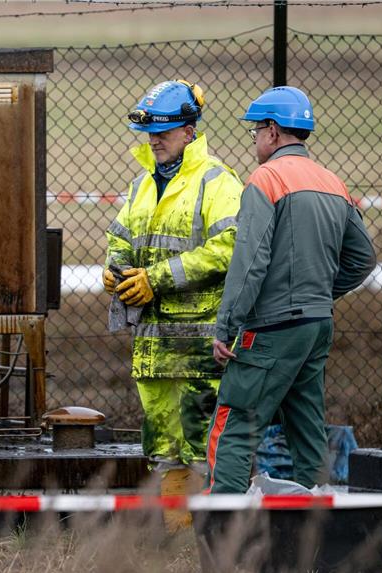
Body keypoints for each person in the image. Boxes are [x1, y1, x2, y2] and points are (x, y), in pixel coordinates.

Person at [206, 87, 376, 494]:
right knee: (306, 429)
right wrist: (318, 293)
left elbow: (249, 265)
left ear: (272, 131)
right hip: (316, 326)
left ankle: (220, 534)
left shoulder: (266, 179)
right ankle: (312, 535)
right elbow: (364, 258)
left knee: (233, 426)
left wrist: (225, 327)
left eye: (255, 132)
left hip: (272, 328)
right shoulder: (333, 182)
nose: (254, 141)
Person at [104, 80, 242, 527]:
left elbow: (231, 245)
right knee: (161, 443)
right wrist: (115, 267)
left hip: (201, 346)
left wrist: (157, 279)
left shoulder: (216, 182)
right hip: (153, 344)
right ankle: (176, 534)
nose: (154, 139)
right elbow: (120, 236)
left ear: (190, 130)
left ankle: (209, 534)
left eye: (164, 130)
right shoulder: (142, 184)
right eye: (149, 131)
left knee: (201, 443)